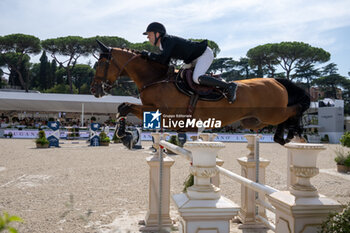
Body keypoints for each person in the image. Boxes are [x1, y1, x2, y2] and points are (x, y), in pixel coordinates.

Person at [141, 22, 237, 103]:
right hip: (192, 59)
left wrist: (148, 54)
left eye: (149, 34)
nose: (148, 37)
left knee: (196, 78)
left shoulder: (167, 40)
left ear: (157, 34)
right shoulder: (164, 44)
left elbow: (163, 60)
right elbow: (164, 61)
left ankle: (229, 86)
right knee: (180, 76)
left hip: (203, 54)